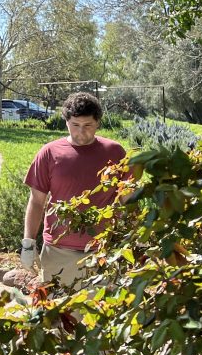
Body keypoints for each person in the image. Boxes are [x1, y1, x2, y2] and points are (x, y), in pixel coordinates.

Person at [21, 92, 127, 289]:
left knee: (100, 316)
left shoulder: (115, 152)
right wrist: (28, 243)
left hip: (104, 251)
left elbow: (128, 199)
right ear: (66, 121)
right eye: (75, 125)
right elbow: (36, 201)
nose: (81, 132)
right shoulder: (49, 153)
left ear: (98, 123)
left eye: (88, 125)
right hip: (58, 252)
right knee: (59, 317)